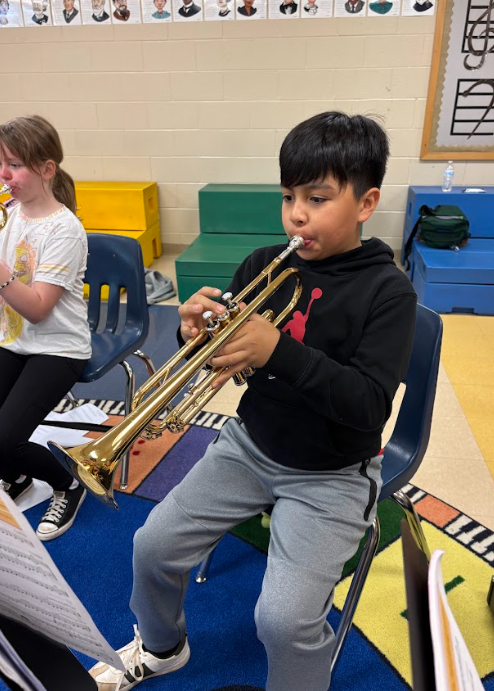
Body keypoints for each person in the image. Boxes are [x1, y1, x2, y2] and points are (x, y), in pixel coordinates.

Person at [89, 112, 417, 691]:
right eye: (289, 196)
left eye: (318, 198)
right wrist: (199, 336)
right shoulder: (266, 265)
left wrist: (277, 353)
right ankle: (162, 648)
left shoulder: (388, 291)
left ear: (366, 204)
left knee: (283, 621)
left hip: (333, 472)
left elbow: (368, 405)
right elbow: (233, 366)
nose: (296, 213)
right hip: (249, 445)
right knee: (150, 546)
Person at [0, 115, 91, 541]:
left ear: (46, 169)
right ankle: (17, 479)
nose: (4, 175)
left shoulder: (65, 230)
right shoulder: (11, 214)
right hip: (13, 340)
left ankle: (68, 485)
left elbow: (37, 308)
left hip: (58, 348)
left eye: (14, 165)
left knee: (5, 439)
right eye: (2, 164)